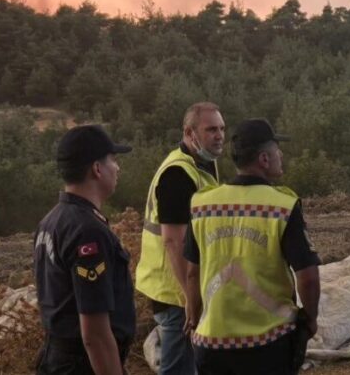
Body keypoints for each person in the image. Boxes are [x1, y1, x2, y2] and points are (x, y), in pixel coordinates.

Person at [182, 119, 321, 375]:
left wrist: (194, 317)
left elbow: (192, 272)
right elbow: (308, 277)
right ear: (264, 159)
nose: (281, 155)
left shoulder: (202, 204)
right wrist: (310, 318)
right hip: (268, 343)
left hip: (211, 343)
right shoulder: (282, 206)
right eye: (277, 150)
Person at [33, 125, 136, 375]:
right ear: (97, 169)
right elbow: (95, 334)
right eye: (113, 160)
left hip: (59, 357)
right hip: (82, 364)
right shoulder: (87, 231)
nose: (117, 167)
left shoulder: (53, 220)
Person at [135, 102, 225, 374]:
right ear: (189, 132)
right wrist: (191, 299)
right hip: (175, 291)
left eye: (222, 128)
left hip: (183, 287)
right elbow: (174, 241)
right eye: (211, 129)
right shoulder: (177, 173)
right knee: (178, 368)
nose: (219, 135)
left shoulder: (201, 165)